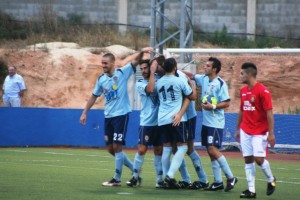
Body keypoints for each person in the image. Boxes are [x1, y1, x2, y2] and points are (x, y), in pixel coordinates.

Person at [79, 47, 153, 187]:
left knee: (117, 146)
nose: (103, 65)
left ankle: (117, 179)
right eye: (102, 63)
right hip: (108, 116)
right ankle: (134, 170)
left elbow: (136, 61)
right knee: (110, 148)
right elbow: (94, 96)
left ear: (112, 63)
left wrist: (142, 51)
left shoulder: (122, 72)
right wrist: (84, 112)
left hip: (121, 115)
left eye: (105, 63)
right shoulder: (101, 79)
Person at [182, 57, 237, 192]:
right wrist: (176, 71)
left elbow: (227, 102)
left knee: (213, 149)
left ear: (214, 69)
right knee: (210, 151)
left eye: (207, 66)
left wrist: (212, 106)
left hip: (216, 123)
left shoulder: (220, 83)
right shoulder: (204, 79)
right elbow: (192, 76)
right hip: (207, 123)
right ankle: (218, 182)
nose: (204, 67)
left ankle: (230, 177)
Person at [235, 62, 276, 198]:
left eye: (242, 73)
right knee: (248, 159)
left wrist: (271, 133)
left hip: (259, 131)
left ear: (250, 74)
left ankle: (271, 179)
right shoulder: (243, 91)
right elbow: (242, 110)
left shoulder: (263, 91)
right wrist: (237, 128)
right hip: (245, 130)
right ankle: (251, 190)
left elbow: (269, 113)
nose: (240, 76)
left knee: (259, 159)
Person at [156, 58, 197, 189]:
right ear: (175, 67)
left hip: (162, 119)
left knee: (167, 148)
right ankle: (170, 175)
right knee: (183, 147)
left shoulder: (159, 82)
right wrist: (192, 84)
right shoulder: (179, 80)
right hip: (176, 118)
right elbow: (192, 96)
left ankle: (166, 180)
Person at [126, 59, 164, 188]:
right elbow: (150, 89)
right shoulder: (140, 83)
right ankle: (135, 177)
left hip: (160, 122)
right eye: (141, 69)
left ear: (150, 68)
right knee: (142, 149)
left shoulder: (160, 77)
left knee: (159, 151)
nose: (143, 71)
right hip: (147, 122)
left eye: (145, 68)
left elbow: (166, 66)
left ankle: (159, 180)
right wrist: (153, 72)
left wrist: (157, 61)